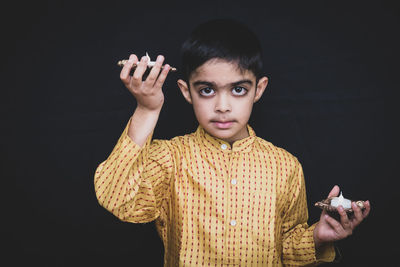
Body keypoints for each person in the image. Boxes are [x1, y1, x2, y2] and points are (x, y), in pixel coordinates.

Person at [94, 19, 370, 266]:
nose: (222, 106)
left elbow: (285, 250)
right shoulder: (170, 157)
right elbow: (119, 199)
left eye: (238, 90)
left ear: (258, 89)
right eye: (207, 90)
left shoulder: (285, 166)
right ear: (186, 91)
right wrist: (148, 109)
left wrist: (318, 238)